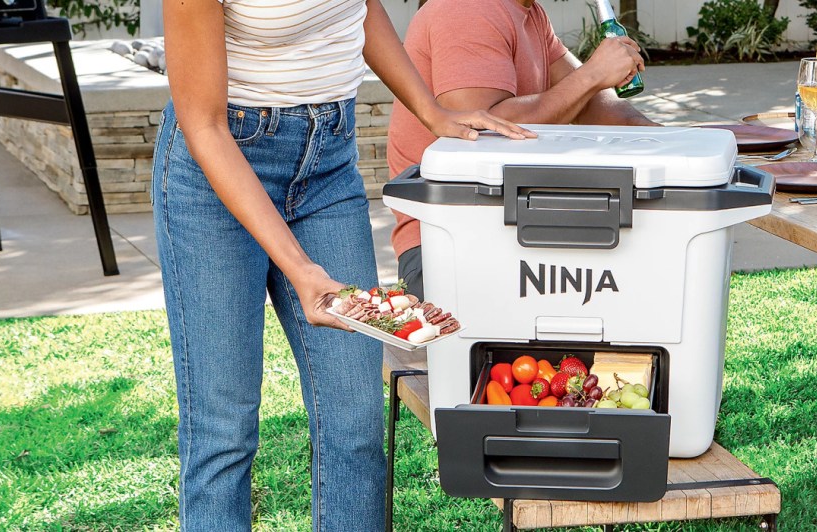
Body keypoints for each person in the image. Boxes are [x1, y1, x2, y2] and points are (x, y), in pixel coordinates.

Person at [152, 0, 533, 529]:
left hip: (326, 161)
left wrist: (430, 109)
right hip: (216, 170)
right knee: (223, 432)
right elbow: (204, 125)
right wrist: (300, 268)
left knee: (354, 422)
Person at [387, 0, 659, 300]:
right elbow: (482, 130)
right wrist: (592, 75)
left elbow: (591, 103)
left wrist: (670, 140)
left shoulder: (530, 12)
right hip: (450, 245)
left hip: (507, 231)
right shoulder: (467, 8)